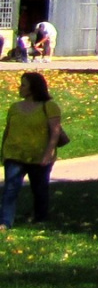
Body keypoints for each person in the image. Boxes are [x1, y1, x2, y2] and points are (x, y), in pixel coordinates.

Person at [2, 71, 62, 229]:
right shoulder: (15, 107)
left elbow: (55, 132)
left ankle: (40, 218)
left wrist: (48, 153)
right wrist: (3, 151)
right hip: (14, 154)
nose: (19, 88)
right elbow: (8, 130)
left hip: (39, 155)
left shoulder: (49, 107)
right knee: (10, 190)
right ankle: (5, 222)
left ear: (33, 88)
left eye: (23, 85)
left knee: (39, 189)